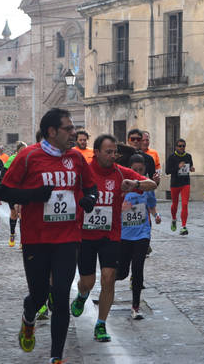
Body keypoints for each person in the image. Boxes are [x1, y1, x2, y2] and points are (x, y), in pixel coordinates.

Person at [0, 108, 98, 364]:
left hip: (67, 237)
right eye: (68, 128)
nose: (74, 133)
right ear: (52, 132)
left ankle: (57, 356)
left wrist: (89, 199)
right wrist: (34, 195)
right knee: (40, 294)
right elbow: (5, 191)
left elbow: (91, 186)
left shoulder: (76, 158)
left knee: (61, 295)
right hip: (36, 238)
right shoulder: (29, 156)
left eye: (74, 128)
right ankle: (28, 315)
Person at [70, 134, 156, 343]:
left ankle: (100, 325)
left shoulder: (120, 173)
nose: (112, 156)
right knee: (88, 281)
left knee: (109, 278)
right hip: (86, 234)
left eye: (114, 152)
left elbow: (152, 184)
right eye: (108, 152)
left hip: (111, 234)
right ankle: (82, 296)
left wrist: (134, 183)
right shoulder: (84, 171)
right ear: (96, 152)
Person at [116, 154, 161, 320]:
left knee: (138, 269)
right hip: (124, 235)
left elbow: (151, 205)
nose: (137, 173)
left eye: (141, 170)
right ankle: (108, 283)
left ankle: (136, 306)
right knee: (122, 272)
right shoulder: (121, 187)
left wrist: (156, 215)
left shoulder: (146, 186)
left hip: (142, 234)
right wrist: (121, 208)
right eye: (134, 170)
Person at [165, 138, 194, 235]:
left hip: (185, 183)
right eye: (180, 146)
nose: (182, 148)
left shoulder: (188, 156)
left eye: (183, 146)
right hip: (175, 183)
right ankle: (174, 219)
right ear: (176, 147)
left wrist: (191, 168)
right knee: (175, 204)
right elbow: (167, 171)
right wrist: (178, 166)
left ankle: (183, 226)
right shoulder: (172, 157)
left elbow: (190, 166)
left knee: (185, 204)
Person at [3, 141, 28, 247]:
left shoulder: (29, 159)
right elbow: (4, 174)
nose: (24, 153)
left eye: (25, 150)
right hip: (13, 190)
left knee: (22, 213)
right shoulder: (12, 159)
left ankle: (23, 240)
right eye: (22, 151)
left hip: (24, 190)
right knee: (14, 213)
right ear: (17, 151)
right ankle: (12, 234)